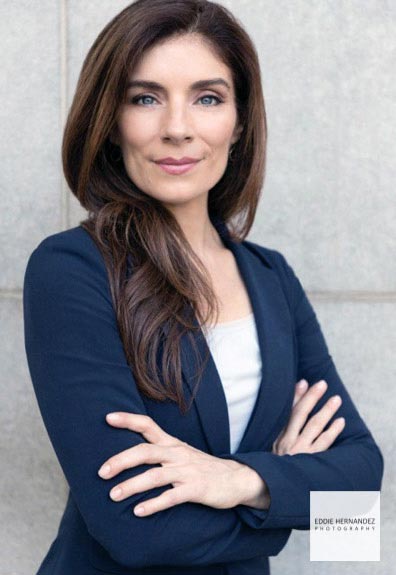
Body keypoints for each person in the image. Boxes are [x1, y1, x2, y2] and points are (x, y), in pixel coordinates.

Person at [23, 1, 384, 574]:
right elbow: (136, 534)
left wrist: (237, 478)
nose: (177, 127)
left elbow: (360, 488)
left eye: (208, 98)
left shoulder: (271, 279)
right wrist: (285, 498)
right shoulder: (72, 270)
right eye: (145, 98)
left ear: (238, 124)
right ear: (110, 122)